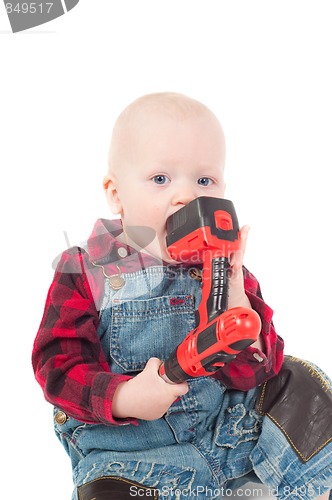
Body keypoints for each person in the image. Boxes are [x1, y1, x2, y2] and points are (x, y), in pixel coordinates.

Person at [32, 92, 332, 500]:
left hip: (230, 440)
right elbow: (58, 368)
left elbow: (256, 373)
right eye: (160, 179)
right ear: (116, 194)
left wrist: (238, 307)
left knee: (302, 380)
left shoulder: (226, 270)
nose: (186, 196)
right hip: (134, 460)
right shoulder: (86, 270)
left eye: (204, 180)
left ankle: (297, 485)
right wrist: (123, 397)